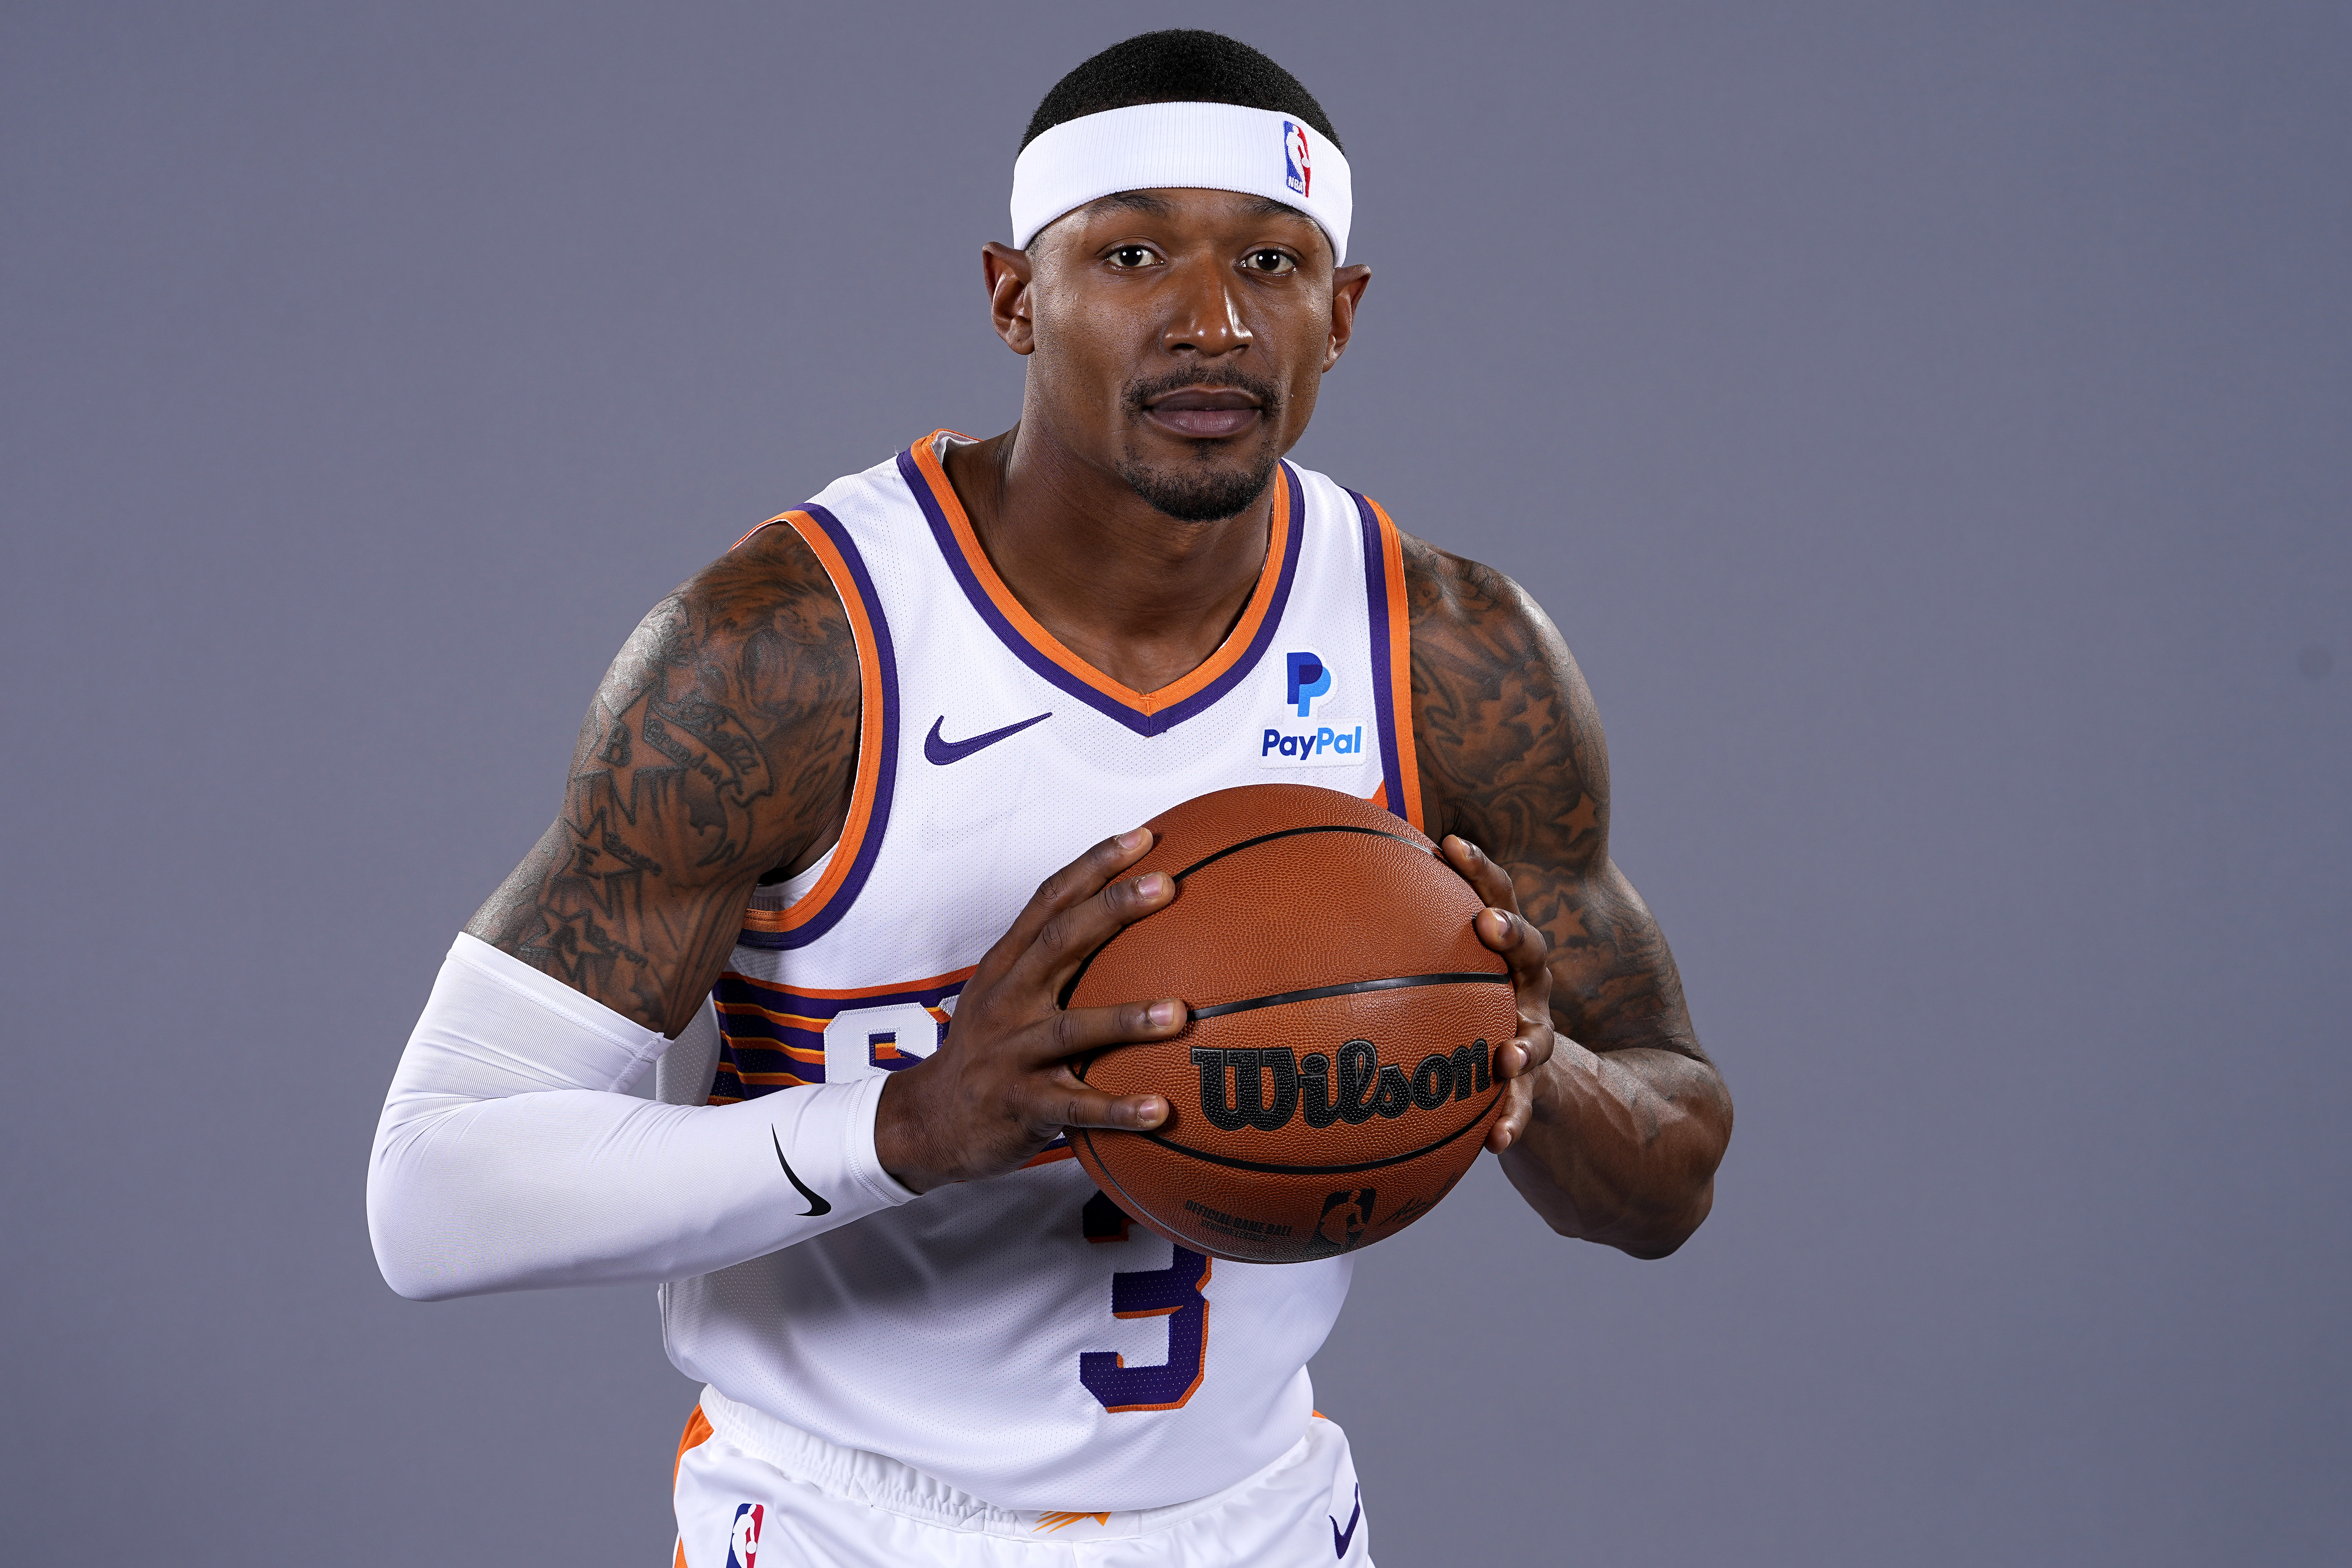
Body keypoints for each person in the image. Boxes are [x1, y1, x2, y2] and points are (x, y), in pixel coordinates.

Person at [367, 29, 1732, 1567]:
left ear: (1341, 317)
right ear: (1018, 294)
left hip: (1262, 1521)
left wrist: (1531, 1074)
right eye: (1136, 252)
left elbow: (1672, 1162)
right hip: (844, 1521)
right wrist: (906, 1123)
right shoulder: (792, 654)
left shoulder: (1447, 654)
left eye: (1273, 266)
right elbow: (432, 1194)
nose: (1211, 321)